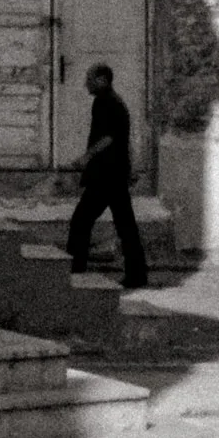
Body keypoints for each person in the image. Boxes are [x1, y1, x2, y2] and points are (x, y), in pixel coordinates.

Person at [65, 62, 150, 290]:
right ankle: (137, 275)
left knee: (81, 221)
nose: (86, 83)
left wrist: (86, 158)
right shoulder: (116, 102)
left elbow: (109, 137)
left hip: (106, 175)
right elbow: (124, 138)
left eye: (90, 79)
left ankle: (76, 271)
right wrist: (130, 167)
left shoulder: (104, 102)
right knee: (125, 226)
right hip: (115, 174)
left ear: (102, 79)